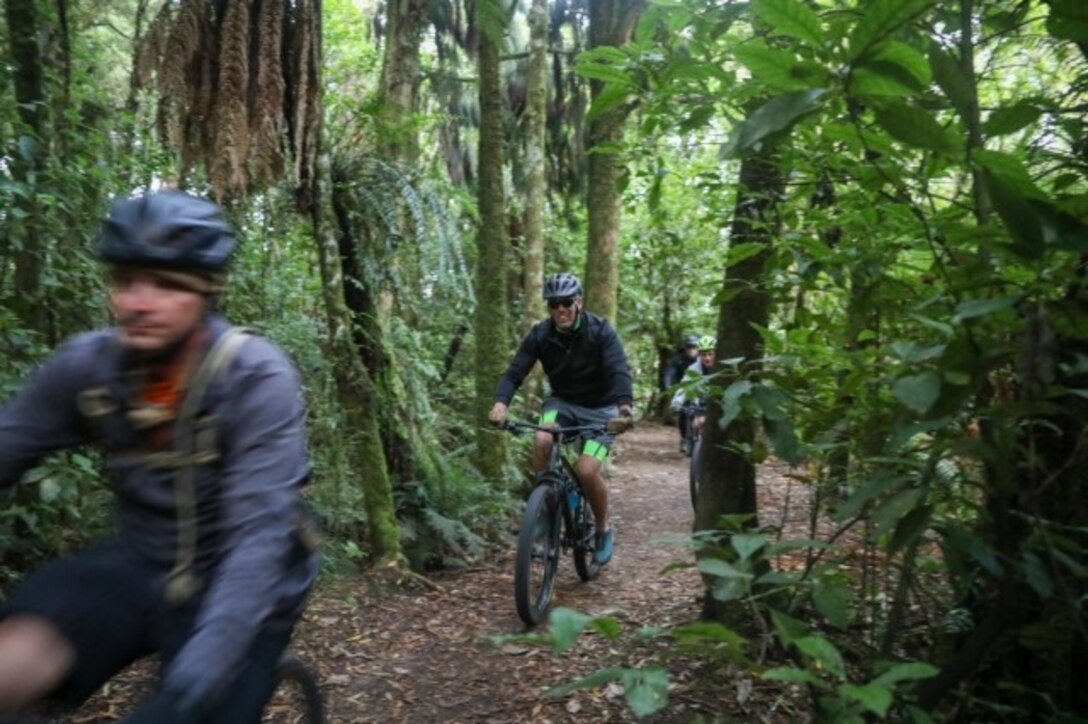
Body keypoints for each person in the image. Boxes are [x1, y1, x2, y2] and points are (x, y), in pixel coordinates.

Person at [0, 190, 319, 723]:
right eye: (126, 281)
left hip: (243, 585)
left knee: (200, 698)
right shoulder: (88, 367)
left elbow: (258, 539)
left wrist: (197, 681)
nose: (137, 302)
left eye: (166, 285)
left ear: (207, 292)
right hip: (141, 560)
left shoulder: (255, 378)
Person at [488, 272, 633, 565]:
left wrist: (624, 409)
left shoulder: (601, 331)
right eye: (554, 304)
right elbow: (515, 372)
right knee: (542, 438)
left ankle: (603, 530)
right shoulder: (541, 335)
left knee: (587, 470)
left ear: (578, 302)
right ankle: (546, 507)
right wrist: (500, 404)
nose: (561, 309)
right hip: (563, 404)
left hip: (602, 410)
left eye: (566, 302)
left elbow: (619, 370)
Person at [670, 335, 716, 454]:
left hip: (717, 402)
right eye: (703, 355)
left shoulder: (722, 369)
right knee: (694, 421)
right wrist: (676, 402)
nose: (707, 358)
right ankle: (691, 442)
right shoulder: (694, 368)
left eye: (710, 354)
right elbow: (684, 386)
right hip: (700, 401)